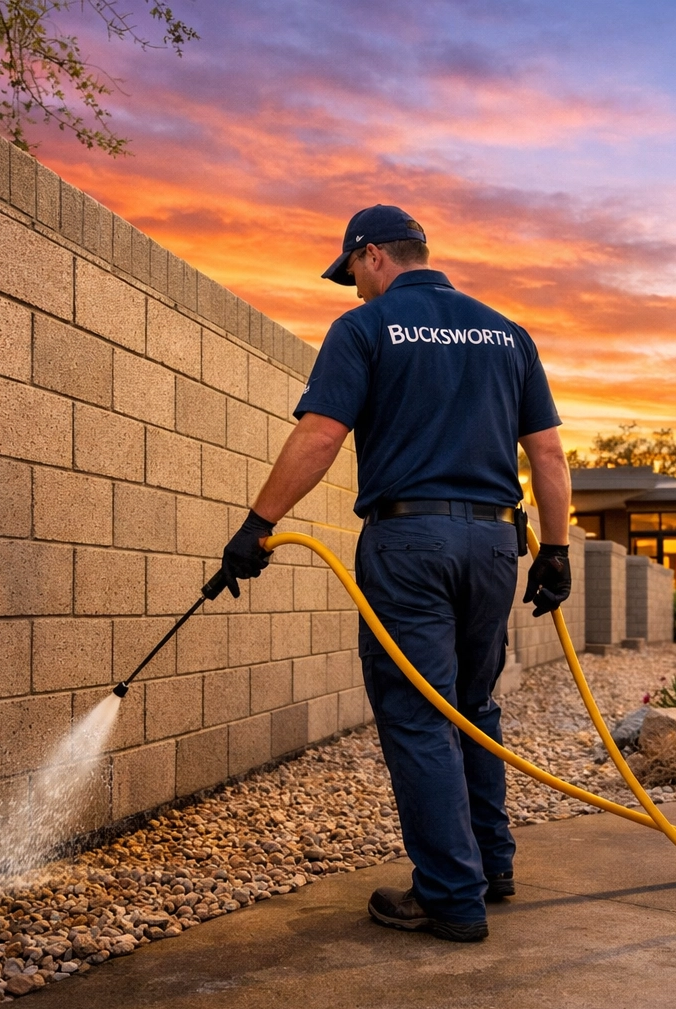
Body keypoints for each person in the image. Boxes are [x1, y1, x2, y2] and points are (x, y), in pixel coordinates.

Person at [215, 204, 573, 942]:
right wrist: (557, 551)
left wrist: (257, 525)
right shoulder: (507, 333)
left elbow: (321, 433)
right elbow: (547, 453)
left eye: (351, 271)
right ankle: (490, 866)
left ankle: (451, 896)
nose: (353, 288)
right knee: (472, 706)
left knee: (417, 714)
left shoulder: (366, 328)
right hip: (494, 545)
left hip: (409, 542)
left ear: (373, 254)